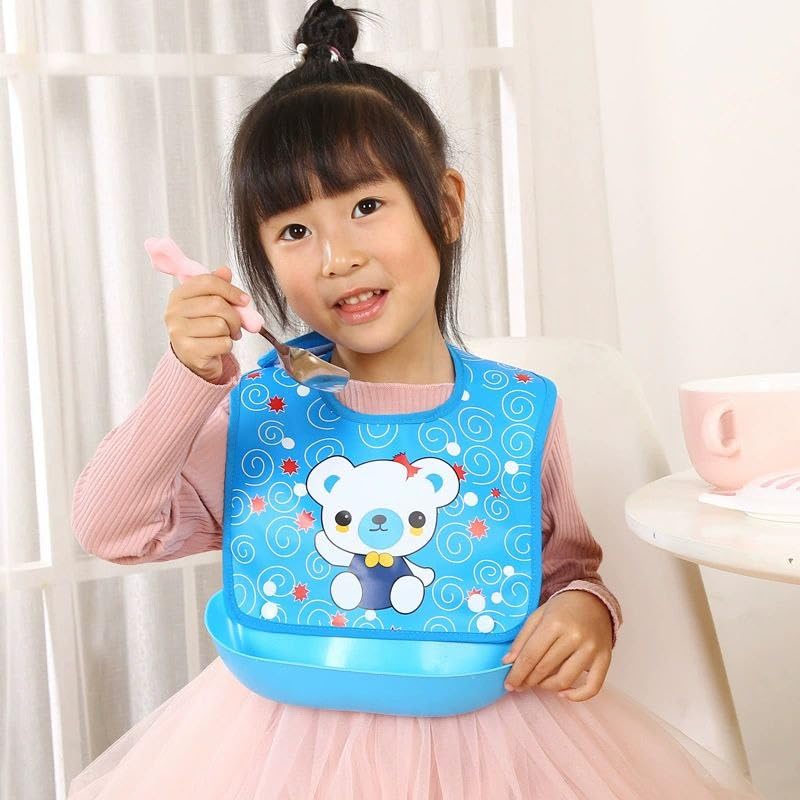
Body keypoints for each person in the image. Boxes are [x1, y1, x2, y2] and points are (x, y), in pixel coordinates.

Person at [68, 1, 763, 797]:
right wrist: (188, 378)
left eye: (367, 207)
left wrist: (586, 613)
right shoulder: (260, 413)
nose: (336, 257)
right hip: (280, 757)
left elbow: (566, 569)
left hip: (495, 754)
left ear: (447, 206)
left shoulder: (515, 412)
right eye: (293, 231)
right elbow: (110, 528)